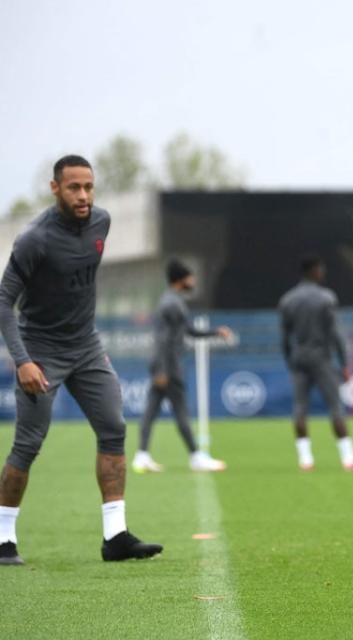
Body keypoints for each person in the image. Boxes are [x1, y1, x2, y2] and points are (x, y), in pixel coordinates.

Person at [0, 155, 162, 565]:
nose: (84, 195)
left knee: (114, 427)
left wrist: (84, 336)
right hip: (41, 352)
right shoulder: (34, 239)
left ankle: (116, 537)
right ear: (55, 188)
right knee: (28, 445)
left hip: (87, 347)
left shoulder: (102, 224)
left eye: (89, 186)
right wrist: (22, 361)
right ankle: (3, 540)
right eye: (74, 187)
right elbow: (4, 302)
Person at [133, 260, 232, 473]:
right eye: (191, 277)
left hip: (163, 365)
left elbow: (189, 331)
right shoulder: (172, 303)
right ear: (181, 280)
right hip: (169, 367)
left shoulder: (172, 301)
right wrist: (161, 370)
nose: (193, 281)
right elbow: (162, 339)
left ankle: (141, 456)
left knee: (151, 411)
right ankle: (196, 457)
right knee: (180, 412)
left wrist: (215, 332)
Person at [279, 256, 353, 472]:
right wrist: (345, 363)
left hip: (299, 356)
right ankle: (349, 459)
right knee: (335, 407)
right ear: (315, 271)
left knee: (300, 408)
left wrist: (289, 360)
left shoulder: (288, 300)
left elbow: (284, 337)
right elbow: (336, 333)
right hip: (321, 357)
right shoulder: (325, 298)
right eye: (321, 270)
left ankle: (305, 460)